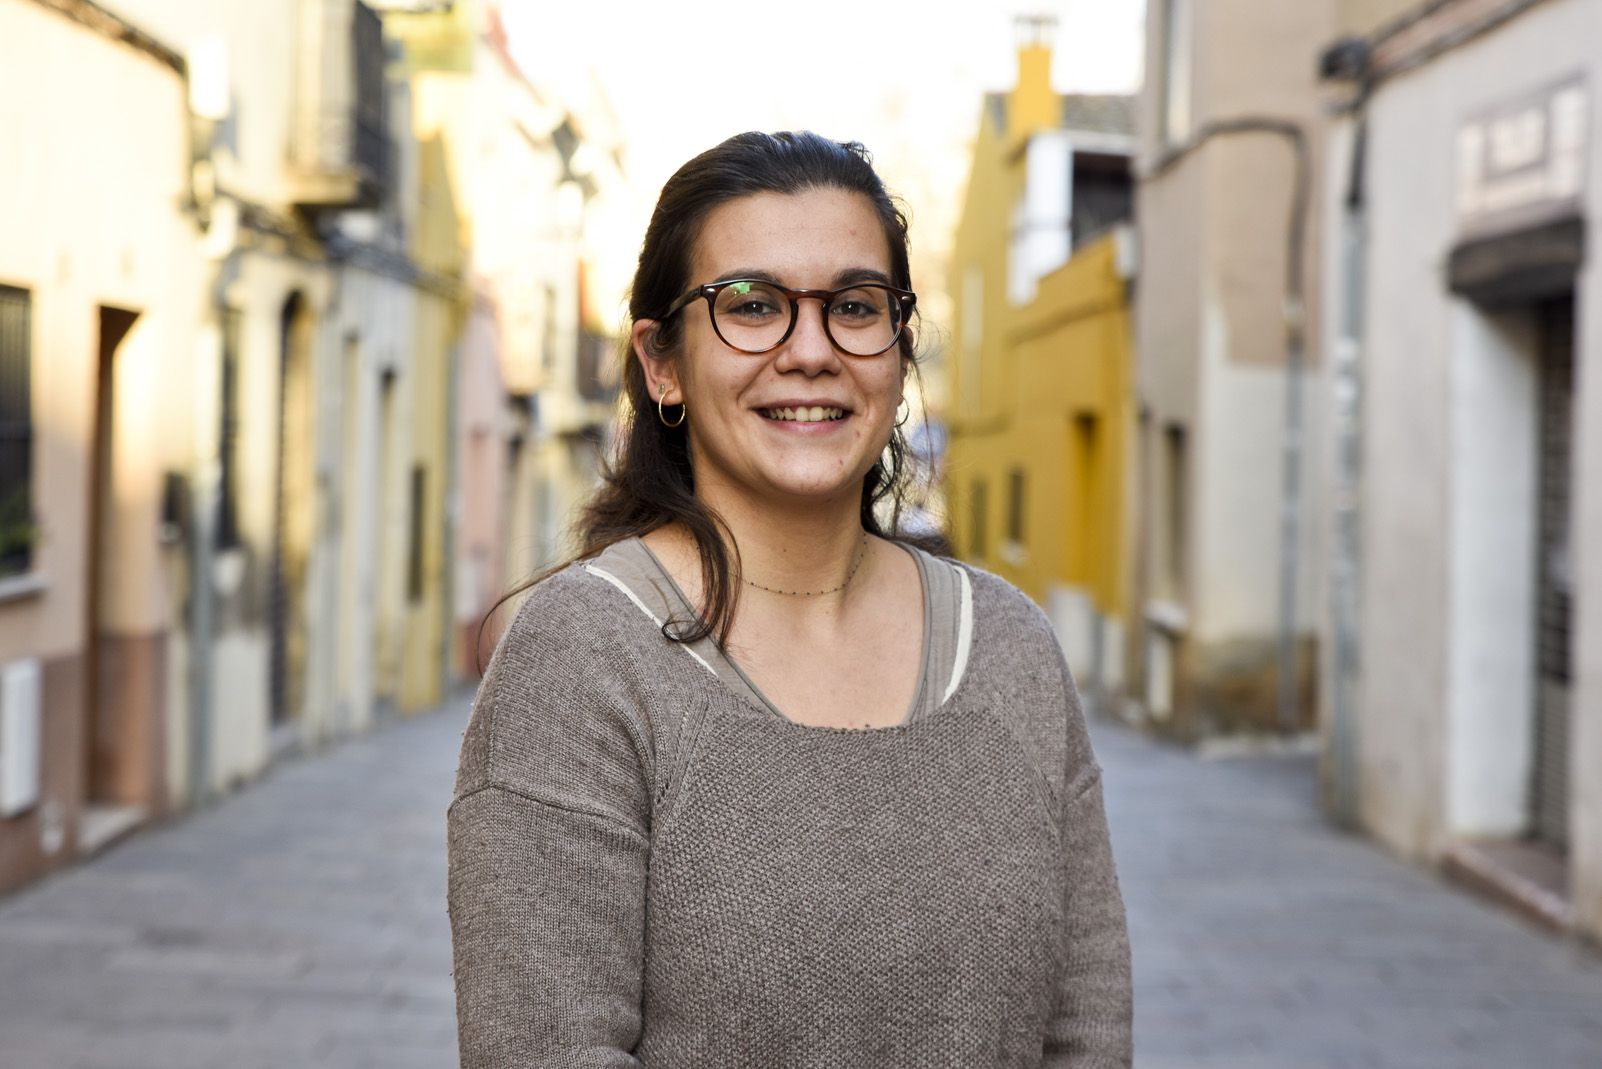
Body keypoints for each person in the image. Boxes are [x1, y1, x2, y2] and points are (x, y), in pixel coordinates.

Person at [446, 130, 1132, 1068]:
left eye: (854, 306)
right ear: (662, 362)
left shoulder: (1010, 647)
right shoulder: (584, 660)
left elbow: (1086, 1030)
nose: (811, 351)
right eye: (752, 305)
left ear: (897, 347)